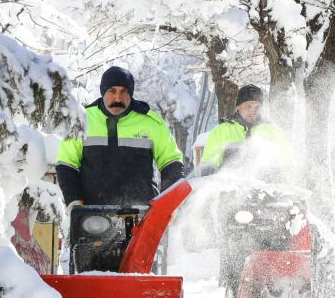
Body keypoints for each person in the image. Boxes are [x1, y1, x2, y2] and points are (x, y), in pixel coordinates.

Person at [56, 66, 185, 206]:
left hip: (143, 215)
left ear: (131, 93)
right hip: (92, 217)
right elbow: (67, 164)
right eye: (112, 91)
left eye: (124, 91)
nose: (118, 97)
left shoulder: (151, 122)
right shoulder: (82, 120)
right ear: (103, 91)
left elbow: (171, 161)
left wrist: (168, 203)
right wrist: (74, 201)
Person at [199, 84, 288, 172]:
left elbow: (286, 162)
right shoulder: (221, 131)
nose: (253, 111)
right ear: (238, 106)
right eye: (248, 106)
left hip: (264, 184)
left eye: (257, 107)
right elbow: (208, 165)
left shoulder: (271, 131)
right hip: (230, 183)